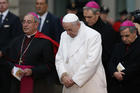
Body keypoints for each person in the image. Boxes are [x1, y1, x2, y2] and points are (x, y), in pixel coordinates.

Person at [2, 12, 59, 93]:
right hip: (17, 82)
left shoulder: (45, 42)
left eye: (29, 22)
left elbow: (49, 66)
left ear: (36, 24)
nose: (25, 25)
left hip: (36, 84)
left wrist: (33, 71)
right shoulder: (17, 40)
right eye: (24, 22)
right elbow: (7, 58)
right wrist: (12, 68)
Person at [55, 13, 107, 93]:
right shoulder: (64, 35)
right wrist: (63, 75)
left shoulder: (93, 35)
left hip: (89, 84)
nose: (68, 33)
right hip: (68, 83)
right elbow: (59, 58)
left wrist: (75, 80)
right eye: (65, 30)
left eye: (70, 29)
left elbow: (92, 62)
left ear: (78, 25)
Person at [83, 1, 120, 91]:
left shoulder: (108, 31)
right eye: (85, 17)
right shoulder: (83, 28)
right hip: (84, 71)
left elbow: (109, 55)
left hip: (102, 72)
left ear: (98, 14)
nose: (87, 20)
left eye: (89, 17)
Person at [108, 20, 140, 93]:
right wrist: (114, 73)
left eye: (127, 36)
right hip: (117, 87)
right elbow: (111, 62)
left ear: (134, 32)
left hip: (134, 85)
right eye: (122, 36)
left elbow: (137, 65)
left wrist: (122, 75)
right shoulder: (118, 46)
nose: (124, 39)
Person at [0, 0, 23, 92]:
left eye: (4, 2)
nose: (1, 5)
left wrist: (3, 52)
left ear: (8, 4)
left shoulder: (14, 19)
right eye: (0, 3)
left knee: (6, 87)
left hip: (7, 61)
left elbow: (16, 40)